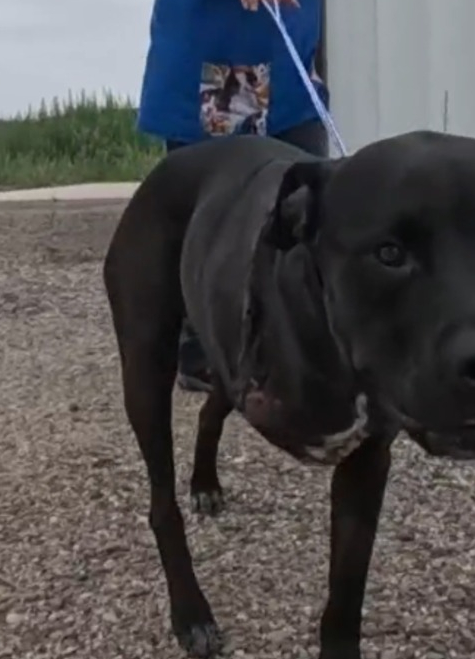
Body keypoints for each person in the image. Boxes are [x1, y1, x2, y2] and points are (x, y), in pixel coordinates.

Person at [137, 0, 330, 393]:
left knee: (305, 203)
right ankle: (201, 342)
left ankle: (303, 339)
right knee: (204, 205)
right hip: (208, 51)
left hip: (288, 57)